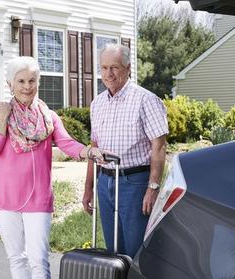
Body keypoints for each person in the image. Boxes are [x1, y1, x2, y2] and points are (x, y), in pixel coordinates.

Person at [0, 56, 106, 279]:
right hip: (4, 197)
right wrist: (3, 117)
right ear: (10, 84)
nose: (27, 86)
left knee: (38, 259)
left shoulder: (48, 117)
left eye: (32, 80)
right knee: (17, 258)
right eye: (21, 81)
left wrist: (89, 151)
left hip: (38, 196)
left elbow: (67, 143)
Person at [82, 44, 168, 258]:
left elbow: (159, 146)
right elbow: (94, 147)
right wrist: (88, 188)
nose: (108, 74)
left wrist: (153, 187)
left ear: (128, 68)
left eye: (115, 67)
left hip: (134, 183)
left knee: (136, 250)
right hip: (105, 181)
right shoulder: (97, 103)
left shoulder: (146, 100)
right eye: (104, 68)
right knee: (113, 251)